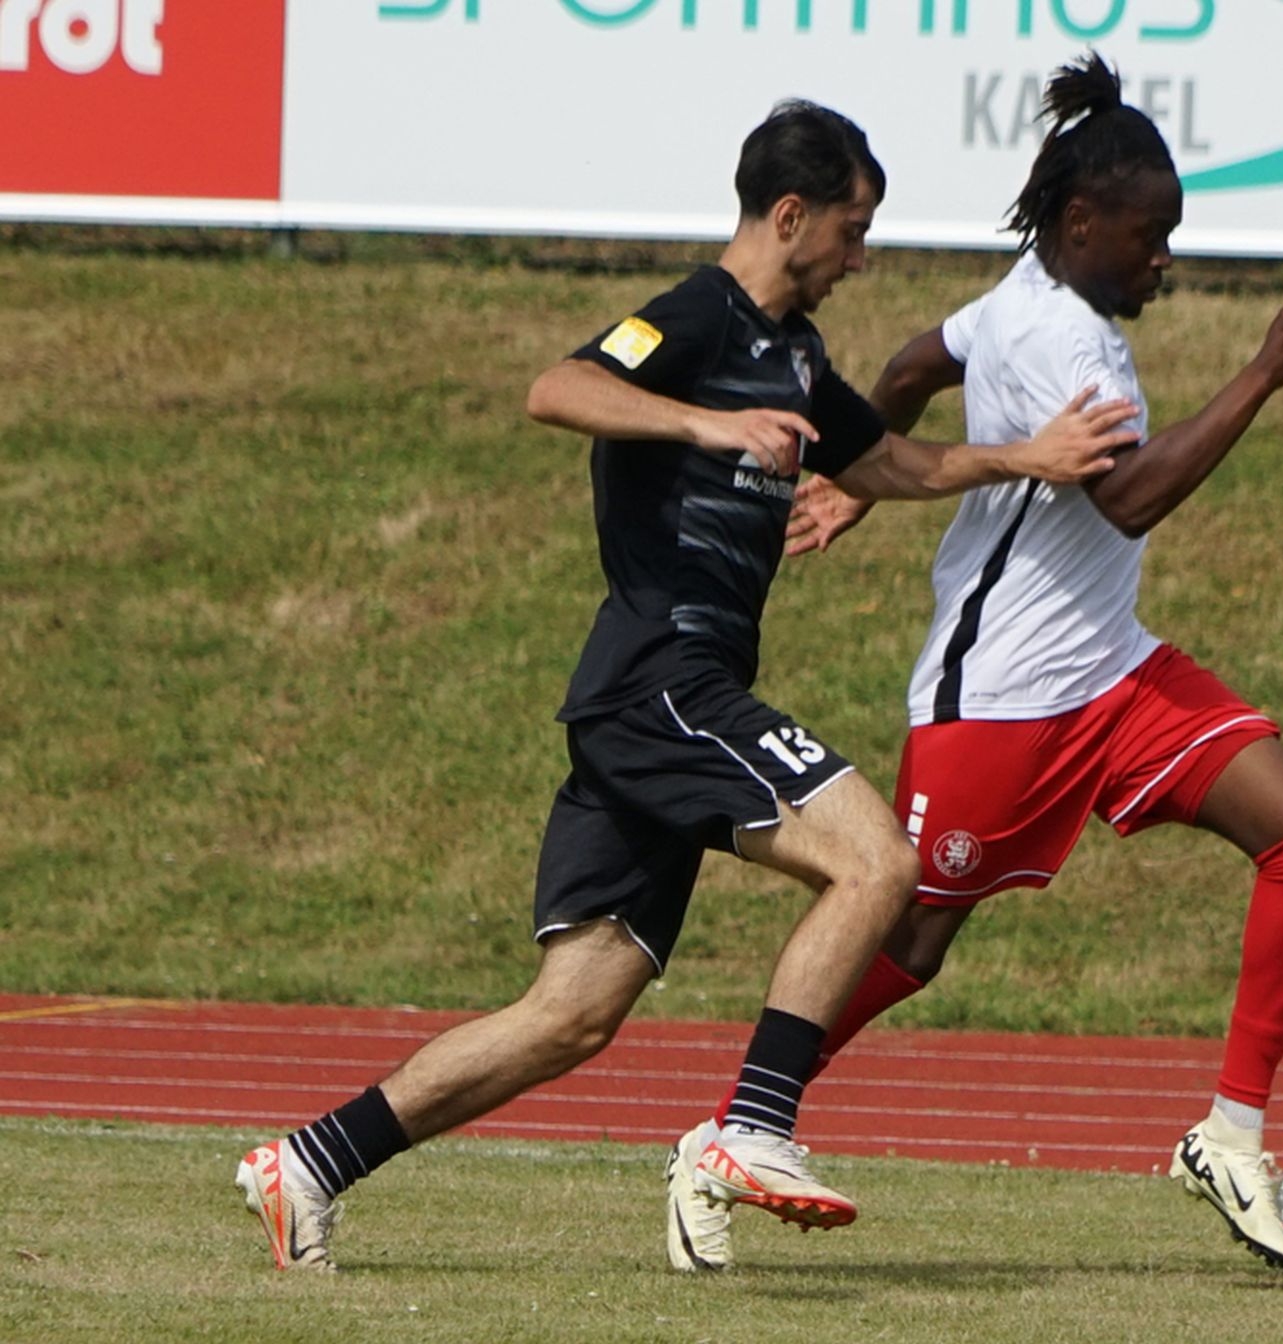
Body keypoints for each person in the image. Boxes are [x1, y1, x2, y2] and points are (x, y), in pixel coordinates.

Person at [232, 98, 1138, 1272]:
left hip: (651, 703)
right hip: (661, 677)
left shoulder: (798, 355)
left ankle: (308, 1165)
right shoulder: (700, 318)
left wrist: (1025, 458)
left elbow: (888, 459)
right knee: (878, 863)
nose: (862, 258)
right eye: (854, 230)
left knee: (572, 1013)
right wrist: (703, 427)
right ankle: (749, 1129)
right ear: (791, 214)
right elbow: (558, 388)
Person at [666, 55, 1283, 1274]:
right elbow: (1129, 499)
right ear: (1081, 223)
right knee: (910, 944)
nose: (1164, 260)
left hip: (1115, 677)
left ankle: (1231, 1135)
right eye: (1149, 237)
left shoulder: (1024, 297)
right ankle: (730, 1133)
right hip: (1002, 702)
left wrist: (859, 481)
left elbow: (912, 365)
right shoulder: (1053, 332)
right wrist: (1264, 370)